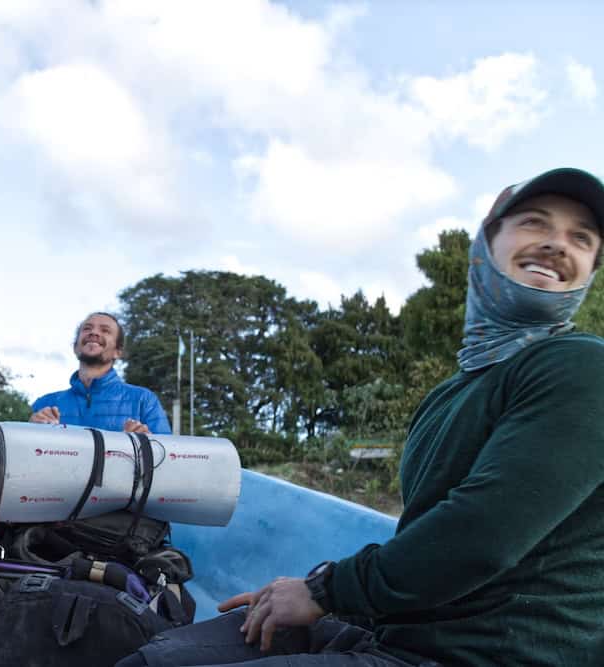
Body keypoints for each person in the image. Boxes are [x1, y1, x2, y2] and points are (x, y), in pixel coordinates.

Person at [118, 168, 604, 667]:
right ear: (484, 244)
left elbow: (482, 535)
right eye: (534, 223)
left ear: (589, 269)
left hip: (490, 654)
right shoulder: (453, 392)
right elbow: (424, 537)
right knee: (153, 659)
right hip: (400, 632)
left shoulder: (581, 366)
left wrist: (325, 591)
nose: (556, 245)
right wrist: (316, 596)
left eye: (581, 238)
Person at [30, 312, 172, 434]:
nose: (94, 333)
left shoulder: (144, 400)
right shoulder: (45, 404)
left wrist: (143, 445)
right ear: (75, 347)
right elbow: (22, 457)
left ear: (118, 352)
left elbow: (166, 456)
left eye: (105, 330)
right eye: (87, 328)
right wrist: (31, 431)